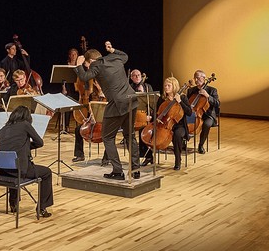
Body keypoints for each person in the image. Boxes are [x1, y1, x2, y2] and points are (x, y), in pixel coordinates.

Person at [74, 41, 140, 180]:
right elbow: (125, 56)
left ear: (90, 60)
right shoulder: (114, 58)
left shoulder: (96, 65)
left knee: (107, 137)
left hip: (117, 103)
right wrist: (112, 49)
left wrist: (79, 65)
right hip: (131, 100)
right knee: (130, 135)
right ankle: (135, 169)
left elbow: (84, 77)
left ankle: (117, 171)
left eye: (87, 65)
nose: (88, 68)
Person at [0, 106, 53, 217]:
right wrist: (26, 147)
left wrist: (24, 147)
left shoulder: (2, 130)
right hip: (20, 170)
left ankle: (13, 203)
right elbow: (40, 142)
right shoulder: (25, 125)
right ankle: (42, 207)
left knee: (13, 164)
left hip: (4, 170)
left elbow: (10, 147)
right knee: (47, 173)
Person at [156, 77, 192, 170]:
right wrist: (157, 118)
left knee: (177, 135)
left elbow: (189, 112)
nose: (166, 87)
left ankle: (178, 160)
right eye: (165, 85)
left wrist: (180, 101)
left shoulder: (182, 97)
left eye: (169, 85)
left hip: (180, 126)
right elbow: (157, 112)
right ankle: (150, 158)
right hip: (164, 125)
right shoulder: (162, 98)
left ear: (174, 86)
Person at [187, 69, 220, 154]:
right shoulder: (191, 90)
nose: (196, 80)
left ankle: (201, 145)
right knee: (184, 121)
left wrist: (207, 96)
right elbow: (187, 104)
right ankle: (184, 141)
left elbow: (217, 103)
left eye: (198, 78)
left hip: (208, 115)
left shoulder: (212, 90)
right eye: (195, 78)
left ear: (204, 78)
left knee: (206, 124)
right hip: (194, 113)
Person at [129, 69, 156, 166]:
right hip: (133, 116)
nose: (137, 77)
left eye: (138, 75)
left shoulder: (148, 87)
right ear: (131, 77)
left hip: (146, 116)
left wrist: (150, 116)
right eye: (134, 75)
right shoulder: (129, 88)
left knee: (143, 130)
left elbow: (153, 103)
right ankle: (137, 157)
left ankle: (148, 157)